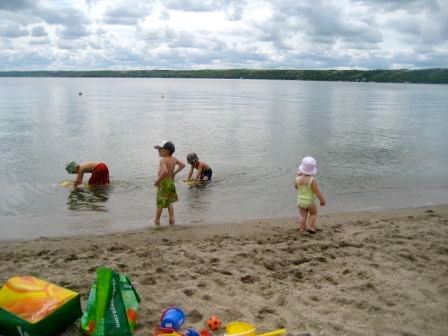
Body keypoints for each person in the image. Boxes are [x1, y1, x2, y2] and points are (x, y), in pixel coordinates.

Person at [153, 141, 185, 226]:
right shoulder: (173, 159)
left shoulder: (163, 160)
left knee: (160, 203)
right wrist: (174, 173)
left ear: (166, 151)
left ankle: (157, 220)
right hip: (171, 182)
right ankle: (171, 218)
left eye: (160, 149)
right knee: (169, 202)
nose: (158, 151)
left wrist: (157, 181)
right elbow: (182, 165)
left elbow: (164, 172)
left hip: (164, 183)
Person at [294, 156, 326, 234]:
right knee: (313, 213)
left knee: (303, 216)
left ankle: (302, 229)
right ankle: (309, 226)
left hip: (300, 201)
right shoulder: (312, 180)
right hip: (309, 202)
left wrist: (298, 176)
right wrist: (322, 200)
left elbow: (296, 187)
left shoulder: (297, 178)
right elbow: (316, 191)